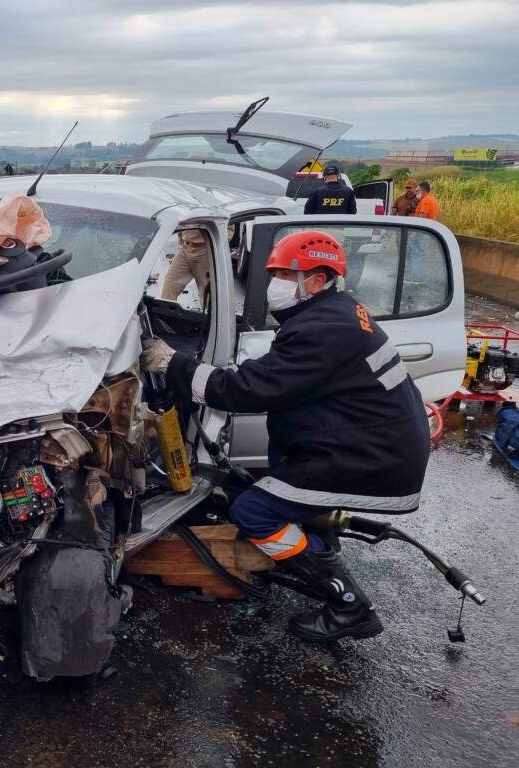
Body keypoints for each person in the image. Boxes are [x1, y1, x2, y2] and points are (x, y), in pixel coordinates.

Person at [140, 230, 430, 642]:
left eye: (283, 274)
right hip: (372, 445)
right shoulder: (336, 313)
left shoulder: (322, 329)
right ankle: (320, 541)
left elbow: (244, 391)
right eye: (274, 273)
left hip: (368, 458)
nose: (274, 283)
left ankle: (349, 605)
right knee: (265, 494)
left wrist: (174, 364)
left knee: (254, 512)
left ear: (316, 279)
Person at [161, 229, 210, 307]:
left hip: (205, 251)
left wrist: (215, 248)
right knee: (170, 285)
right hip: (185, 248)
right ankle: (164, 316)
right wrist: (180, 243)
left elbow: (228, 228)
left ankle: (208, 317)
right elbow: (183, 222)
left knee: (207, 292)